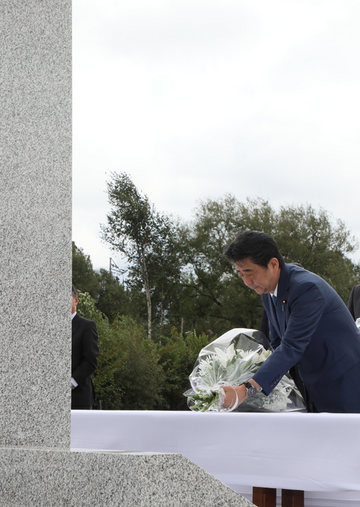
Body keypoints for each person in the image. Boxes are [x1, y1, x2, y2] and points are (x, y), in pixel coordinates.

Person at [222, 230, 360, 413]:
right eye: (240, 275)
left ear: (273, 264)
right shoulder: (267, 290)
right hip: (310, 384)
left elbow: (291, 347)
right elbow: (277, 343)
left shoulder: (306, 289)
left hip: (344, 384)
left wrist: (245, 390)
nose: (247, 282)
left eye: (250, 273)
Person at [71, 285, 99, 409]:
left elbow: (90, 361)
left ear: (76, 300)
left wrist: (71, 383)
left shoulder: (87, 326)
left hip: (78, 398)